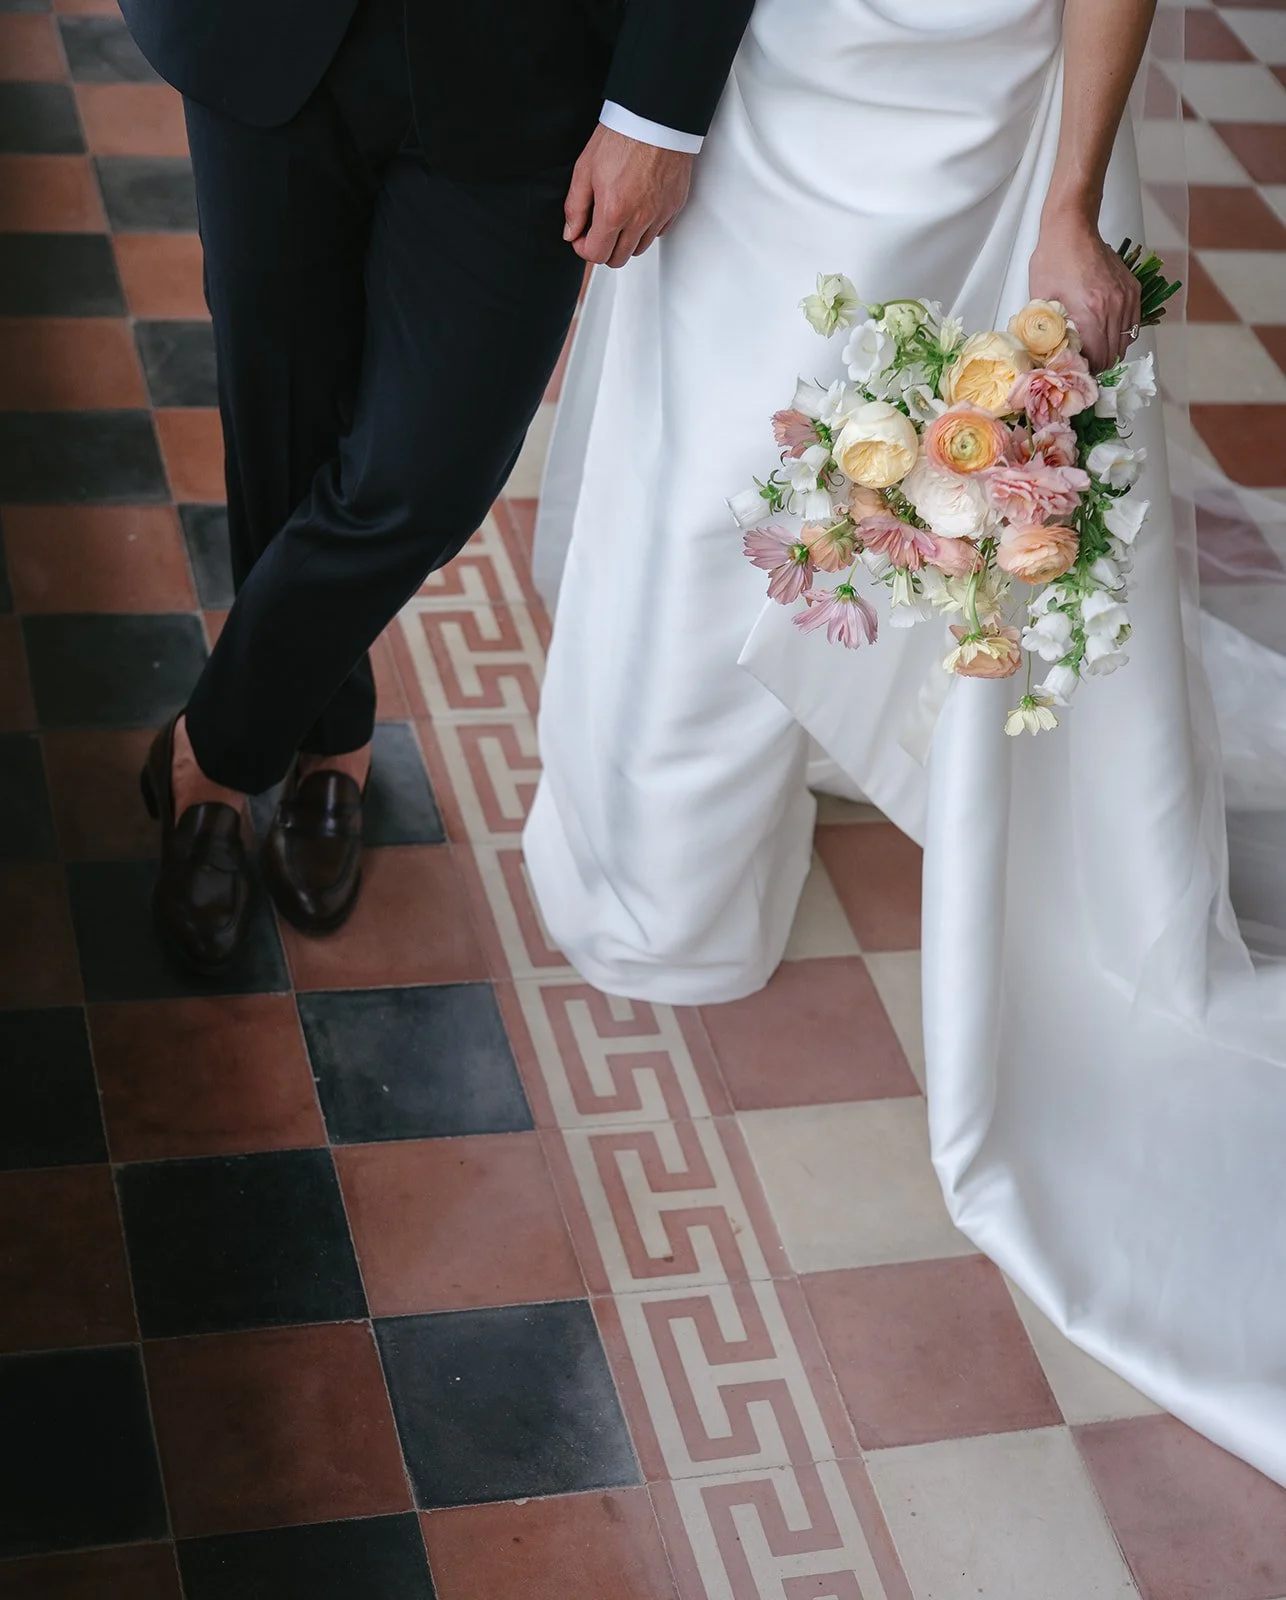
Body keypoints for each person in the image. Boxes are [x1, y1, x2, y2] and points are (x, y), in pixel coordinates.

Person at [526, 0, 1286, 1485]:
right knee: (706, 486)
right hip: (782, 77)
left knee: (904, 485)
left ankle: (733, 841)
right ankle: (662, 878)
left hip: (990, 112)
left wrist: (1066, 206)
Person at [117, 0, 755, 973]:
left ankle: (214, 746)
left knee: (428, 470)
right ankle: (329, 740)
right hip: (264, 32)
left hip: (534, 57)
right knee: (277, 416)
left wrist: (654, 111)